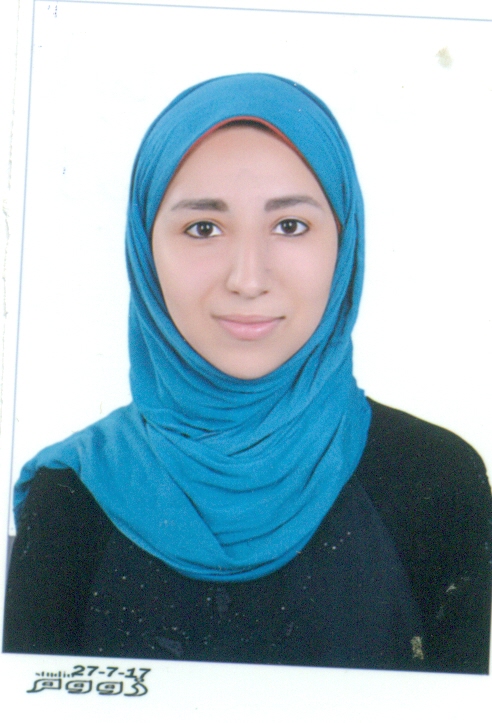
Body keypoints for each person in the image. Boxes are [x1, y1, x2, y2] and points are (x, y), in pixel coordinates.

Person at [3, 73, 491, 673]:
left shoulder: (436, 481)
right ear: (144, 249)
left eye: (290, 226)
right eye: (203, 228)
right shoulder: (72, 495)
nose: (248, 278)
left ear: (344, 244)